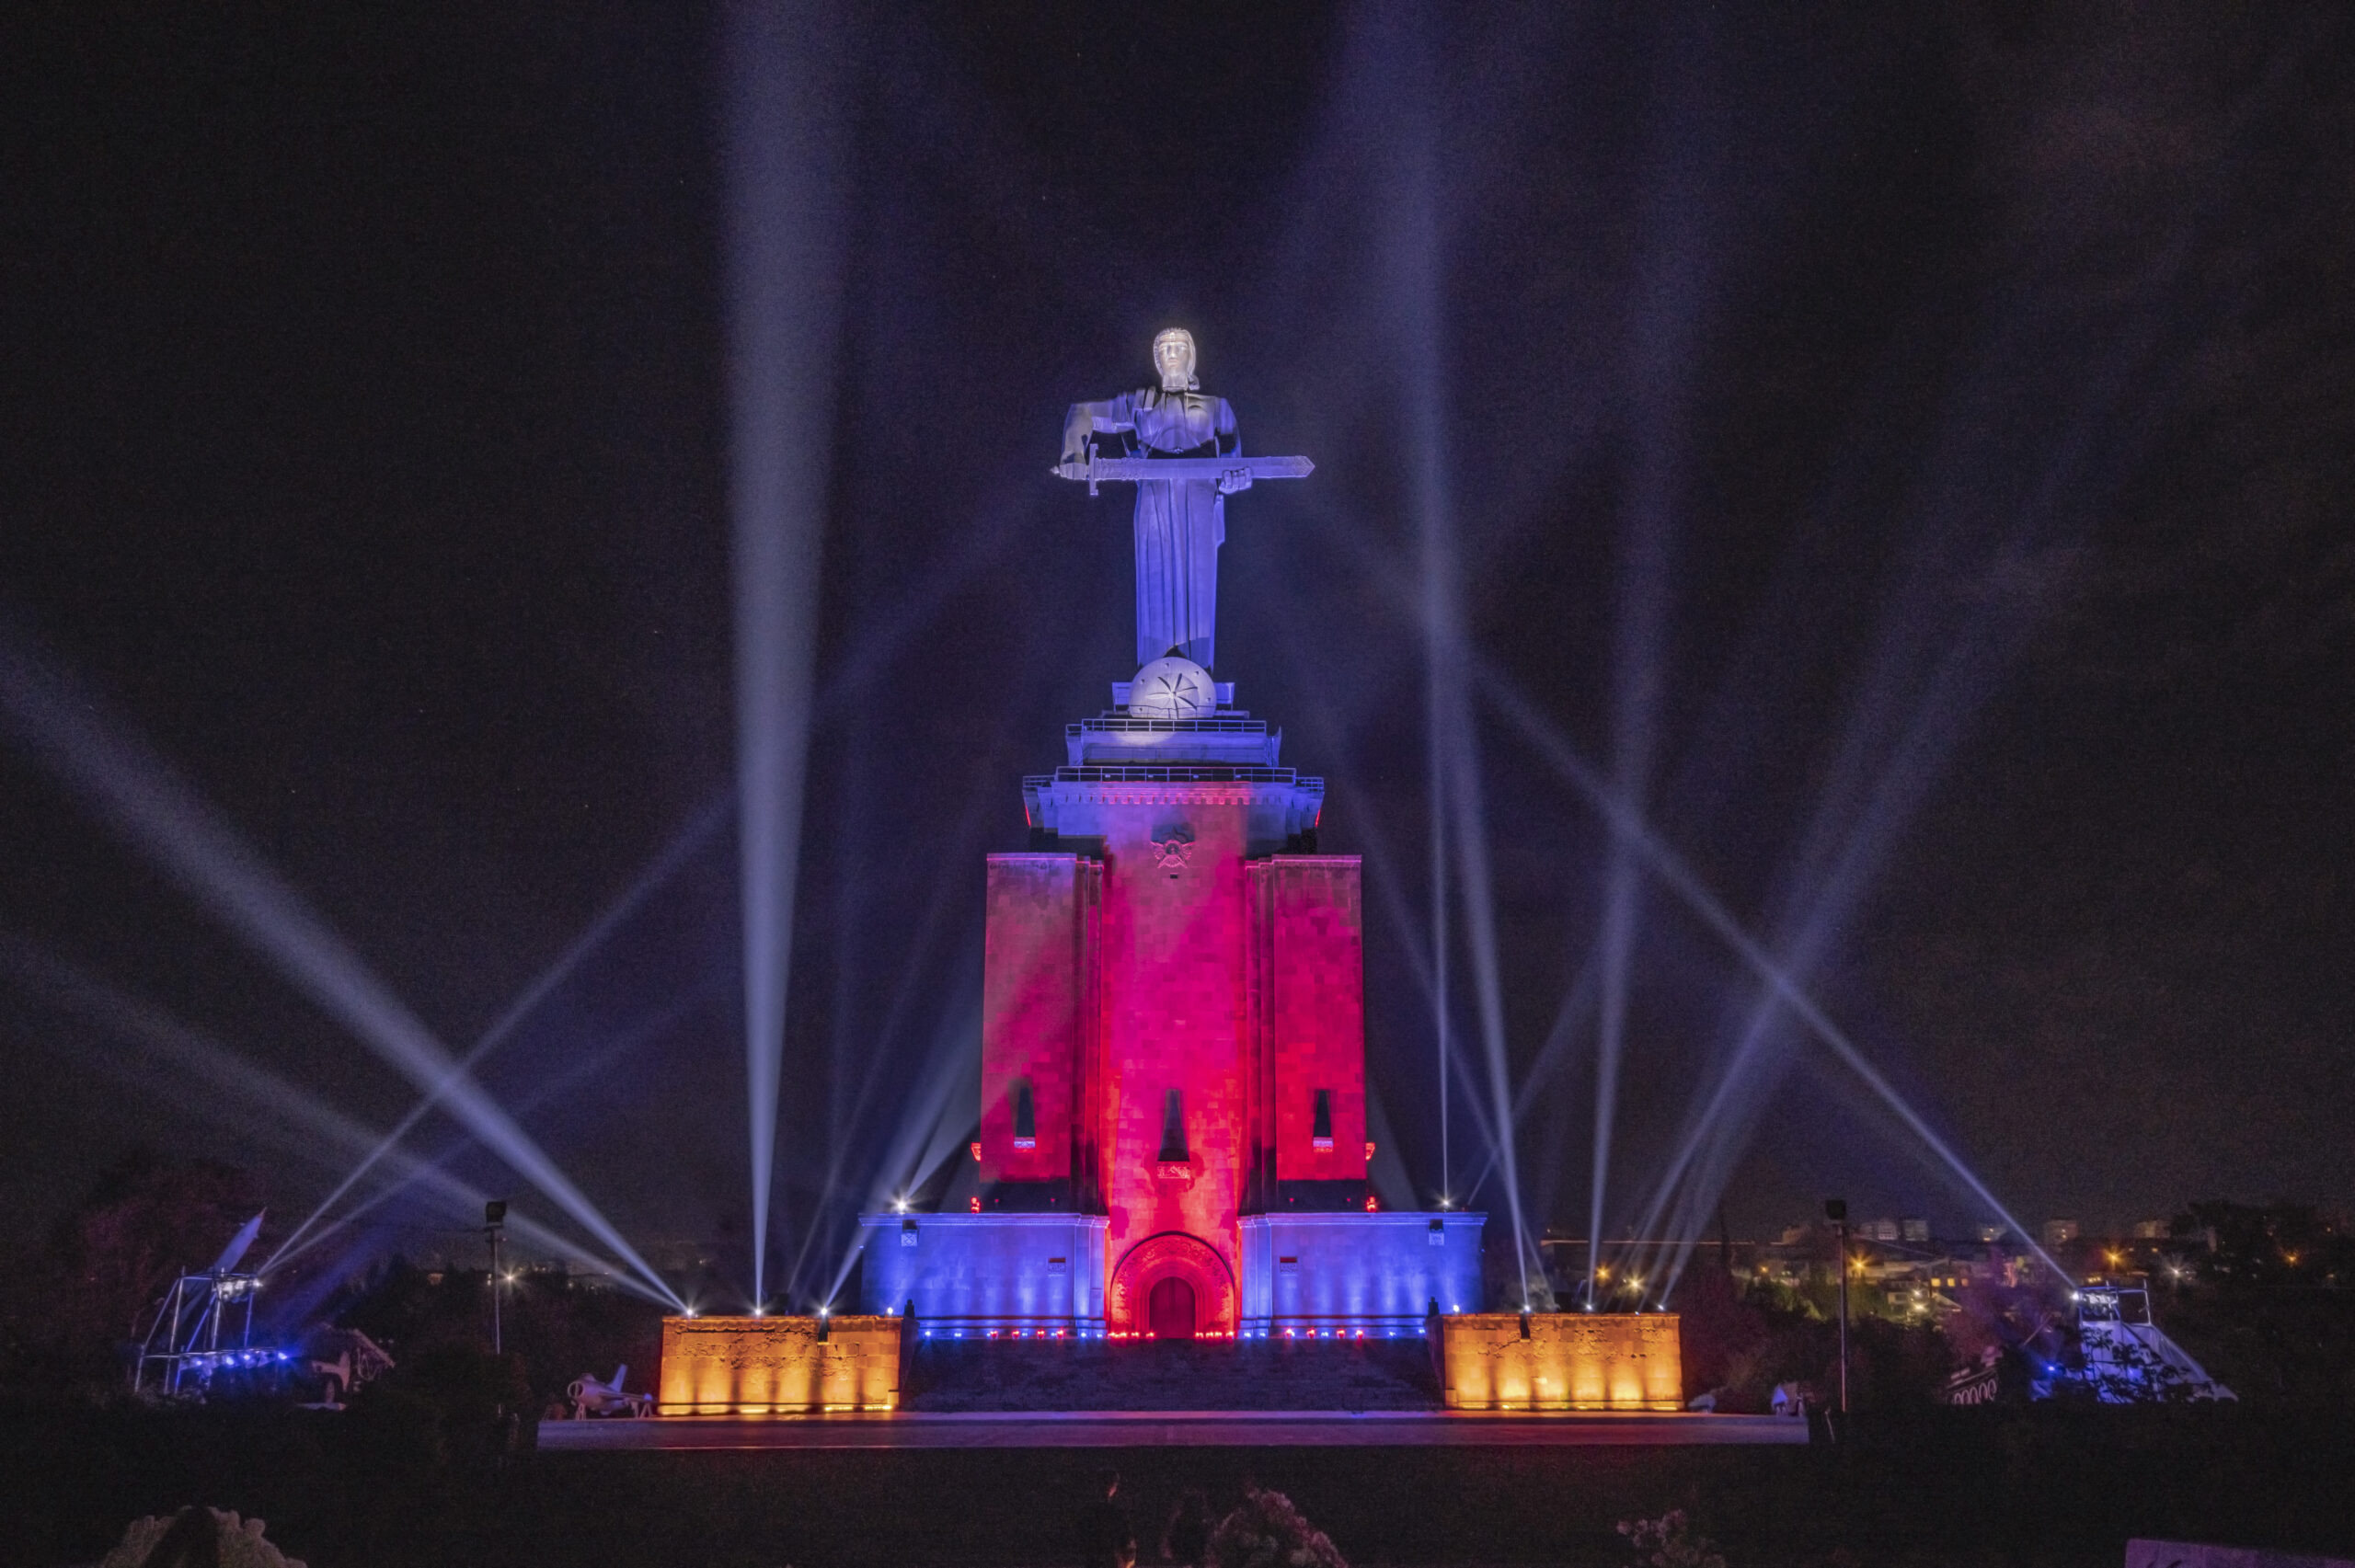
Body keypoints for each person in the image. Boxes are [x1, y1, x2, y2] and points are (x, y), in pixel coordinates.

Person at [1060, 329, 1252, 671]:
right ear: (1157, 359)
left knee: (1199, 587)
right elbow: (1082, 412)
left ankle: (1198, 674)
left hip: (1199, 501)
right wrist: (1073, 453)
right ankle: (1152, 671)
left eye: (1180, 347)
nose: (1172, 353)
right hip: (1154, 500)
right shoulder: (1139, 405)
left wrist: (1235, 479)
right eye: (1165, 349)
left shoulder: (1217, 408)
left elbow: (1234, 462)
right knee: (1154, 584)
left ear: (1191, 357)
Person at [1079, 1467, 1137, 1568]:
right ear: (1114, 1486)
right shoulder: (1117, 1513)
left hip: (1091, 1561)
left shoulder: (1086, 1511)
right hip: (1111, 1561)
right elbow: (1127, 1540)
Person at [1161, 1488, 1212, 1568]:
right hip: (1183, 1557)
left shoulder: (1203, 1524)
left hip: (1193, 1558)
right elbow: (1172, 1543)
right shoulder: (1179, 1523)